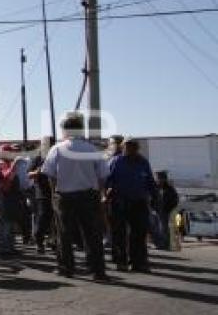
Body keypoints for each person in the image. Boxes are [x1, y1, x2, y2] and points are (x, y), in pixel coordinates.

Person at [41, 113, 109, 281]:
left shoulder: (57, 149)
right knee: (92, 234)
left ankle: (66, 268)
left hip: (64, 196)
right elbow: (102, 175)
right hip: (89, 195)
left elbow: (50, 174)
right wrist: (100, 195)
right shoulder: (91, 149)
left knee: (64, 234)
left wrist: (53, 194)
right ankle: (97, 271)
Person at [106, 138, 158, 272]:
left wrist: (155, 197)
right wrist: (105, 194)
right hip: (119, 202)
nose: (130, 150)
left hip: (139, 202)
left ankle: (139, 262)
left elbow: (150, 181)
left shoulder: (143, 162)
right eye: (128, 147)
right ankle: (121, 261)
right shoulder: (115, 162)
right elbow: (105, 179)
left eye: (133, 147)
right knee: (119, 234)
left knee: (139, 234)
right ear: (123, 148)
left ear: (137, 148)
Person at [28, 137, 55, 254]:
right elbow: (29, 174)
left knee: (56, 219)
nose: (45, 146)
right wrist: (37, 172)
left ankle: (53, 241)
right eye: (43, 144)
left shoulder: (56, 156)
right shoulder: (38, 158)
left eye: (48, 144)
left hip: (58, 192)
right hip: (42, 193)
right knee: (43, 218)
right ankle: (39, 241)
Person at [153, 171, 179, 251]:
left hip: (164, 211)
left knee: (163, 228)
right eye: (158, 178)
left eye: (161, 178)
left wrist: (168, 209)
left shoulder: (169, 189)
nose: (159, 180)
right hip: (155, 210)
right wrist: (152, 207)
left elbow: (175, 200)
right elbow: (151, 197)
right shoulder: (155, 187)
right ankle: (158, 243)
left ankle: (164, 244)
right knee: (155, 228)